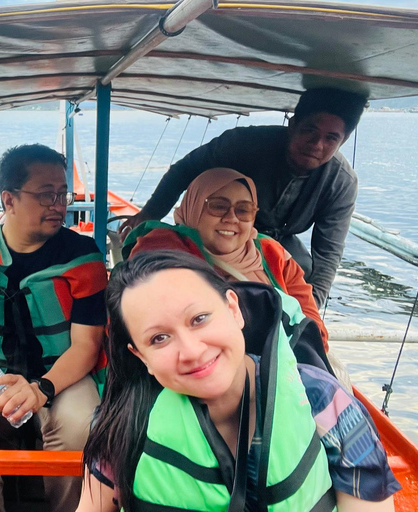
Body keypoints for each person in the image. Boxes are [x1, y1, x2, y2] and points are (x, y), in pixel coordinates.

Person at [77, 251, 399, 512]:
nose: (191, 351)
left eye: (199, 319)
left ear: (233, 310)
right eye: (160, 338)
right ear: (141, 356)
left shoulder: (323, 402)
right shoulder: (121, 424)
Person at [0, 143, 107, 512]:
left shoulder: (82, 256)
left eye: (62, 193)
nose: (59, 204)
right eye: (45, 194)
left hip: (60, 373)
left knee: (79, 424)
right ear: (9, 199)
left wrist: (41, 390)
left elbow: (86, 346)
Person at [120, 87, 369, 306]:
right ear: (292, 125)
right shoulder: (241, 144)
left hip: (277, 241)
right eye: (309, 131)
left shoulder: (341, 183)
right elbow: (183, 171)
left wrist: (312, 309)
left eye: (331, 138)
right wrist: (149, 214)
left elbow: (328, 252)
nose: (317, 144)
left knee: (300, 278)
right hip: (215, 231)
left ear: (343, 140)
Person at [124, 167, 329, 348]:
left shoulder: (273, 254)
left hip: (282, 369)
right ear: (194, 207)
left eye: (243, 210)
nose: (231, 218)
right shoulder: (161, 250)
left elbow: (313, 328)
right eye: (218, 206)